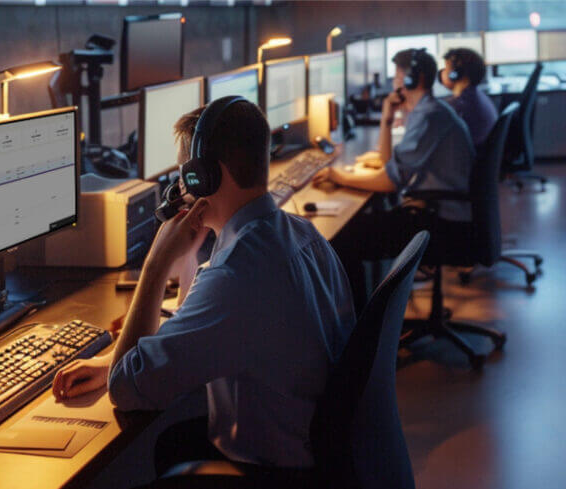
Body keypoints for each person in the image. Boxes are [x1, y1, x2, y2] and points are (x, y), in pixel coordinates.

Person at [52, 98, 356, 481]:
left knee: (150, 455)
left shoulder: (236, 276)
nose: (180, 185)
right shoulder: (298, 234)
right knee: (172, 442)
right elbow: (195, 323)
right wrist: (106, 360)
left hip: (271, 466)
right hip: (312, 445)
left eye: (185, 173)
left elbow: (126, 387)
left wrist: (156, 265)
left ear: (205, 177)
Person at [313, 48, 476, 311]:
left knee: (342, 239)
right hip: (440, 213)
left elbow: (390, 182)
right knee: (360, 227)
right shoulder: (429, 111)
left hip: (442, 223)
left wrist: (338, 176)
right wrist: (387, 120)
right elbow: (390, 165)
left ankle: (362, 334)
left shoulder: (430, 117)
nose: (394, 82)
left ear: (413, 78)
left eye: (398, 75)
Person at [439, 47, 498, 150]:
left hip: (467, 160)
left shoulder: (459, 105)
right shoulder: (475, 96)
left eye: (446, 69)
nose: (442, 72)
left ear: (455, 75)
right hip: (478, 155)